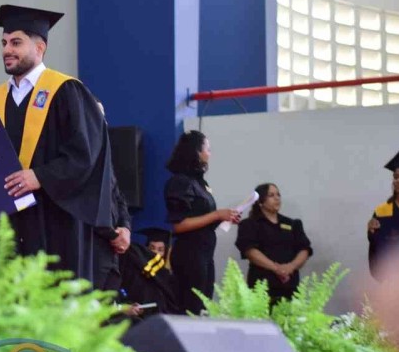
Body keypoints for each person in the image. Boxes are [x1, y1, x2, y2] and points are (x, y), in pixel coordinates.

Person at [0, 4, 114, 282]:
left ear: (40, 48)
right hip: (6, 227)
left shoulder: (66, 91)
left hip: (54, 222)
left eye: (16, 42)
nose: (7, 50)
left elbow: (86, 154)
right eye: (3, 43)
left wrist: (41, 176)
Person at [165, 130, 240, 315]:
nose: (210, 154)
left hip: (206, 254)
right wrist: (216, 215)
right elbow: (179, 225)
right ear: (196, 152)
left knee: (204, 308)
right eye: (208, 149)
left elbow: (204, 219)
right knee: (191, 308)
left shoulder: (200, 183)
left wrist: (224, 217)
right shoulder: (180, 182)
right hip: (190, 255)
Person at [235, 183, 313, 304]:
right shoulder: (249, 224)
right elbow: (250, 251)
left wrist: (290, 267)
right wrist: (276, 269)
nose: (277, 198)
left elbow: (305, 249)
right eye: (271, 195)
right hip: (261, 285)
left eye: (278, 195)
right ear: (260, 201)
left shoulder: (293, 223)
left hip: (290, 283)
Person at [92, 100, 132, 291]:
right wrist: (113, 235)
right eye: (97, 117)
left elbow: (118, 197)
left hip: (111, 254)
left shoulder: (105, 158)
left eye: (104, 118)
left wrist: (125, 229)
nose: (104, 123)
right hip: (91, 252)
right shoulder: (74, 161)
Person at [367, 150, 399, 280]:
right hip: (393, 278)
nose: (398, 180)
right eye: (396, 177)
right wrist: (370, 232)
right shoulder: (382, 210)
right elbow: (376, 247)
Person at [116, 226, 180, 315]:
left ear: (166, 253)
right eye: (152, 248)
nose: (155, 253)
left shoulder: (168, 279)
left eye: (160, 250)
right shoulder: (135, 272)